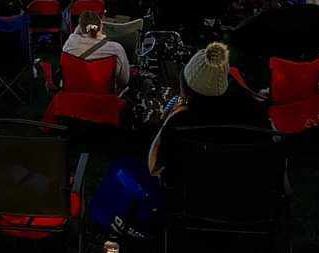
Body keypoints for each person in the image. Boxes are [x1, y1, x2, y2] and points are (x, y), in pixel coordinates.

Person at [148, 42, 264, 177]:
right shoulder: (251, 111)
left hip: (191, 189)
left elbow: (154, 166)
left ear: (186, 90)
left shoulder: (178, 122)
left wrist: (176, 109)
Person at [62, 11, 130, 89]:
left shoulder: (68, 46)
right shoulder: (116, 49)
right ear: (101, 27)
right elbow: (124, 80)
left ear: (79, 28)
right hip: (104, 97)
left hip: (74, 94)